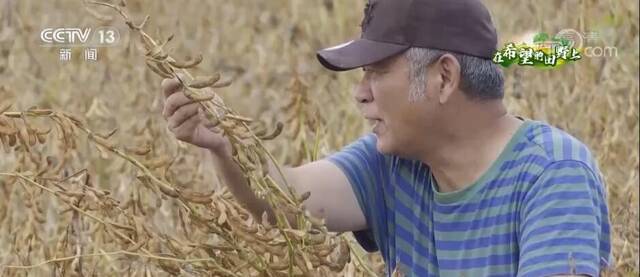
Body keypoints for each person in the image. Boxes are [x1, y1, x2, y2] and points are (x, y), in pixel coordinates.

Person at [160, 0, 611, 276]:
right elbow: (286, 202)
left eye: (376, 72)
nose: (360, 93)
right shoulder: (394, 163)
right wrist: (226, 144)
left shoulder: (553, 174)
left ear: (444, 77)